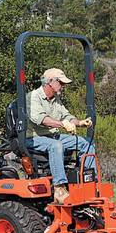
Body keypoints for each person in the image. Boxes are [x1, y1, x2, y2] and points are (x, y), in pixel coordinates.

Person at [26, 68, 95, 204]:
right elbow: (41, 119)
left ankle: (90, 183)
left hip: (52, 136)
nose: (63, 86)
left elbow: (66, 116)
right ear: (50, 82)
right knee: (56, 145)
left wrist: (79, 122)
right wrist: (63, 124)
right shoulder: (33, 97)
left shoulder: (55, 99)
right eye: (61, 83)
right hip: (33, 138)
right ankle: (59, 188)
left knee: (85, 142)